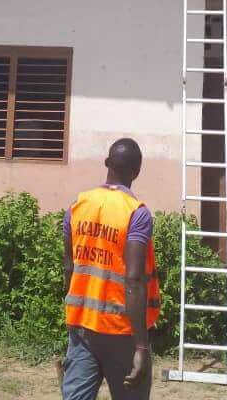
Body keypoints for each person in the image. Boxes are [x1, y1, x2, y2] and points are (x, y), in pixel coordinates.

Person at [61, 138, 159, 400]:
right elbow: (134, 280)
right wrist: (141, 346)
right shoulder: (136, 214)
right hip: (122, 331)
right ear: (136, 172)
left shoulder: (77, 206)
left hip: (82, 327)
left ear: (106, 163)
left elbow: (68, 268)